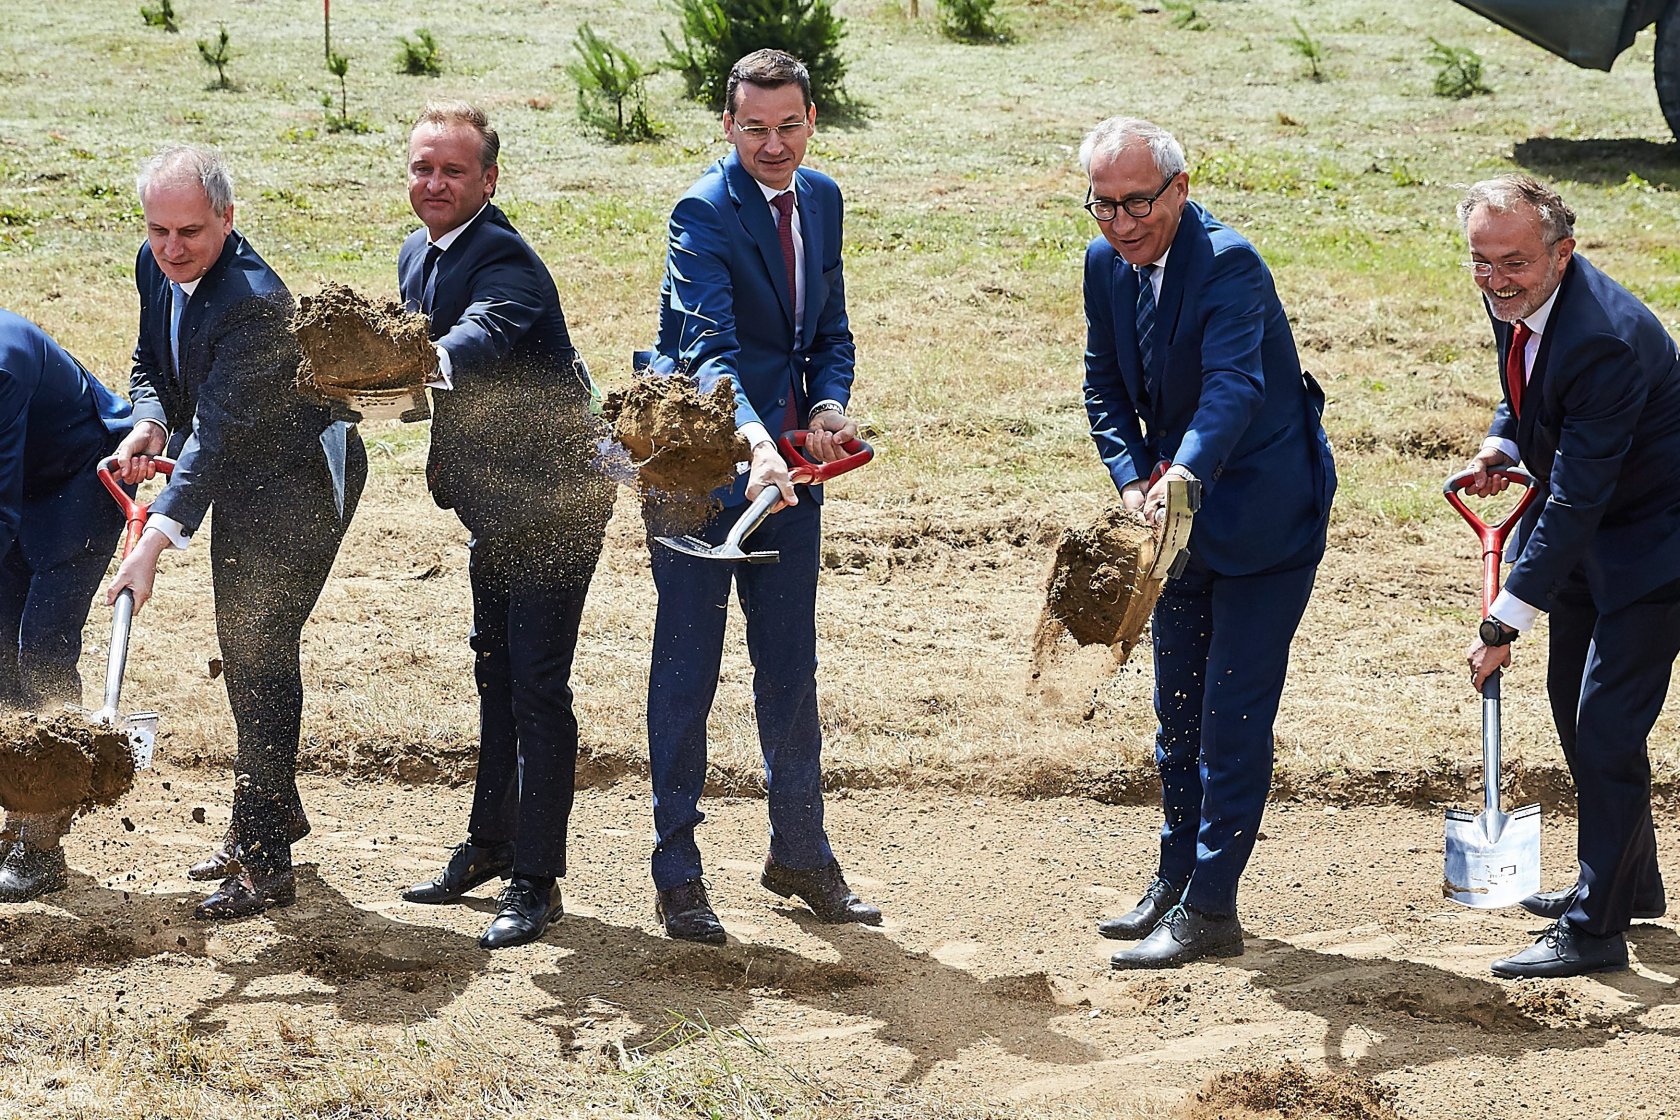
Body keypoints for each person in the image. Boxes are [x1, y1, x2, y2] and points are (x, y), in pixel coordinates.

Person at [1078, 117, 1336, 970]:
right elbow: (1104, 382)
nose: (1121, 223)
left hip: (1265, 516)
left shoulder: (1230, 265)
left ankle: (1213, 908)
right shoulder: (1104, 266)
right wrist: (1131, 481)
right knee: (1176, 710)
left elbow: (1232, 386)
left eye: (1138, 203)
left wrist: (1181, 472)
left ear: (1180, 191)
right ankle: (1175, 876)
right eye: (1104, 205)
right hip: (1171, 521)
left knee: (1231, 714)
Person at [644, 49, 877, 945]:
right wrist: (749, 441)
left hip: (786, 470)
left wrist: (823, 409)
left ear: (811, 120)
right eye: (754, 129)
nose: (773, 145)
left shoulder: (820, 199)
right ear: (727, 127)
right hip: (700, 466)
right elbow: (709, 352)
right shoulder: (702, 210)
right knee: (687, 669)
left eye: (789, 126)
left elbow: (830, 329)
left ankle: (800, 854)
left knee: (789, 665)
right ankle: (678, 873)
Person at [106, 144, 366, 920]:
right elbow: (152, 359)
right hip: (237, 471)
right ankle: (271, 813)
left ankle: (264, 862)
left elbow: (215, 439)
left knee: (259, 649)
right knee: (246, 645)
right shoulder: (158, 264)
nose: (171, 249)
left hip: (298, 483)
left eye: (189, 231)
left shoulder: (255, 304)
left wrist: (151, 545)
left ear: (227, 215)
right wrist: (149, 420)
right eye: (157, 230)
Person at [393, 102, 613, 951]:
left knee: (537, 687)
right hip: (495, 506)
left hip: (558, 504)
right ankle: (490, 845)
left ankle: (537, 878)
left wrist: (415, 361)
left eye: (452, 170)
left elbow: (481, 338)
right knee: (494, 671)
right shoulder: (420, 252)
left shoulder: (508, 260)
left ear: (489, 179)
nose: (434, 183)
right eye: (422, 168)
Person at [1457, 175, 1675, 979]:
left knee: (1607, 728)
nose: (1495, 278)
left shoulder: (1606, 338)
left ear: (1562, 252)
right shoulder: (1512, 295)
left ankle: (1595, 928)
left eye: (1512, 261)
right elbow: (1525, 381)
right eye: (1481, 261)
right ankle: (1630, 882)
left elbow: (1580, 495)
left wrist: (1503, 620)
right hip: (1590, 540)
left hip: (1658, 549)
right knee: (1571, 711)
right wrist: (1502, 442)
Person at [0, 311, 134, 902]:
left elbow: (1, 500)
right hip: (21, 480)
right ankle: (16, 805)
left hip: (80, 477)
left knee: (42, 651)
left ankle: (43, 840)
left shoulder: (2, 363)